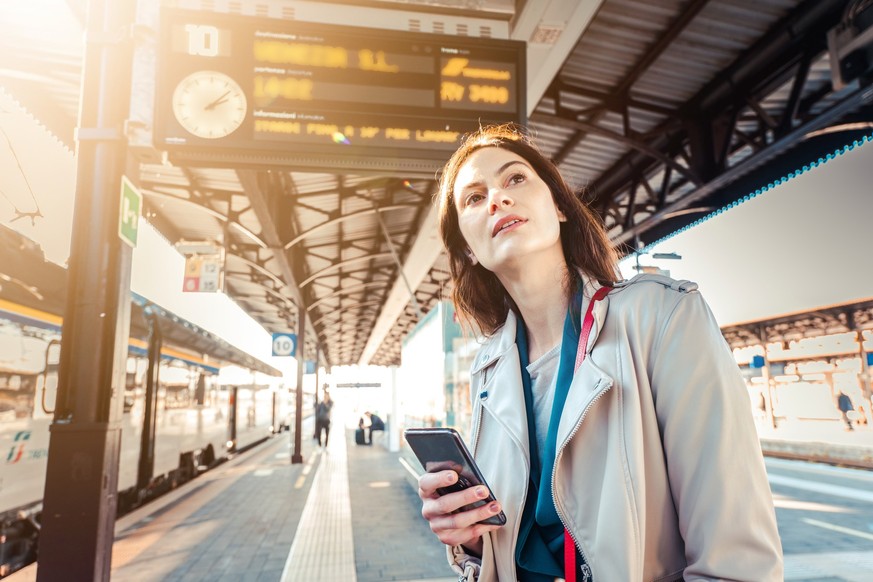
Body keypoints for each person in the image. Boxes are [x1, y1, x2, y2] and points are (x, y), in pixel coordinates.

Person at [416, 124, 783, 582]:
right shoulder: (489, 369)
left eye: (515, 179)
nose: (497, 199)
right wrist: (471, 538)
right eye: (473, 198)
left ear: (559, 207)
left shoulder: (662, 317)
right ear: (468, 250)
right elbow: (507, 537)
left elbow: (736, 559)